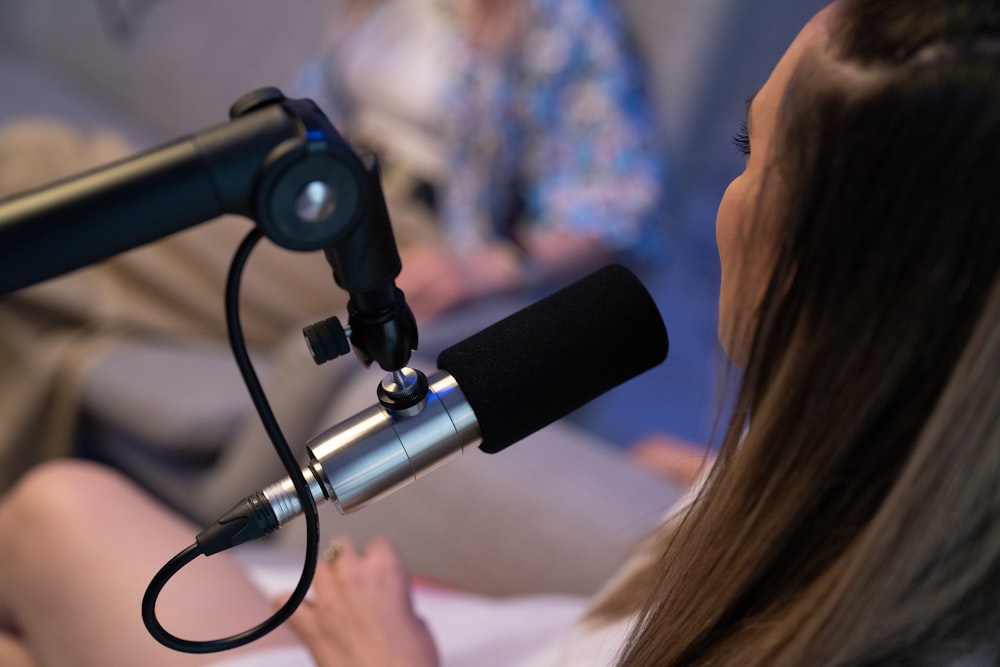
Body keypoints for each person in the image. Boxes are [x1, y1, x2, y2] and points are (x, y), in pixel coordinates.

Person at [2, 0, 1000, 665]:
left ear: (836, 277)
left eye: (752, 153)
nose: (725, 202)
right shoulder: (879, 515)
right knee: (52, 498)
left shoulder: (566, 36)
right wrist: (720, 484)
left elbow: (611, 201)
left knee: (45, 523)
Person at [298, 0, 667, 324]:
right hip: (329, 191)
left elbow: (618, 204)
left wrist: (497, 267)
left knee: (312, 345)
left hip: (418, 231)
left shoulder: (563, 15)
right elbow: (319, 99)